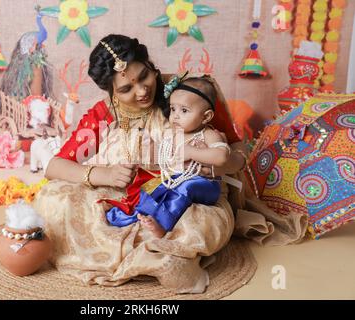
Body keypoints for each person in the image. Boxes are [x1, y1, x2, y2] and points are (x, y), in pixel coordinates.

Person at [34, 34, 290, 293]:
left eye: (144, 76)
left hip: (185, 194)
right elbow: (54, 167)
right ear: (110, 91)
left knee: (200, 224)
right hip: (126, 192)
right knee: (53, 197)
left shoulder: (188, 92)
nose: (143, 91)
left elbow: (235, 149)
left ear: (150, 64)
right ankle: (155, 256)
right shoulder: (105, 113)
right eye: (126, 89)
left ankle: (157, 254)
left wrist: (219, 165)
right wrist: (106, 174)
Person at [104, 74, 233, 238]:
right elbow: (160, 157)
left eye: (184, 110)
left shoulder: (208, 134)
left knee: (184, 188)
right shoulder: (172, 134)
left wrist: (192, 152)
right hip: (174, 178)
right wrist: (146, 151)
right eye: (173, 109)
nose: (176, 116)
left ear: (206, 116)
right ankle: (126, 216)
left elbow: (222, 157)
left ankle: (163, 225)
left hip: (203, 184)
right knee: (152, 190)